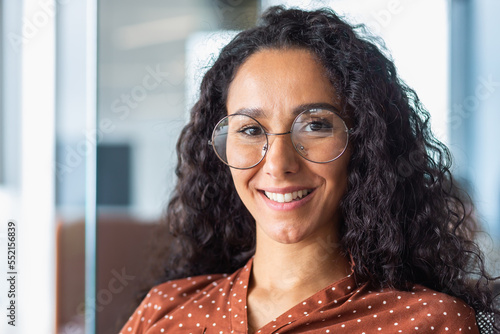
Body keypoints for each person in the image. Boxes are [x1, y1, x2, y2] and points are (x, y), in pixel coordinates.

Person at [120, 6, 498, 333]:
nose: (279, 163)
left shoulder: (431, 323)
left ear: (365, 143)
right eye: (250, 130)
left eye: (315, 125)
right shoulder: (164, 312)